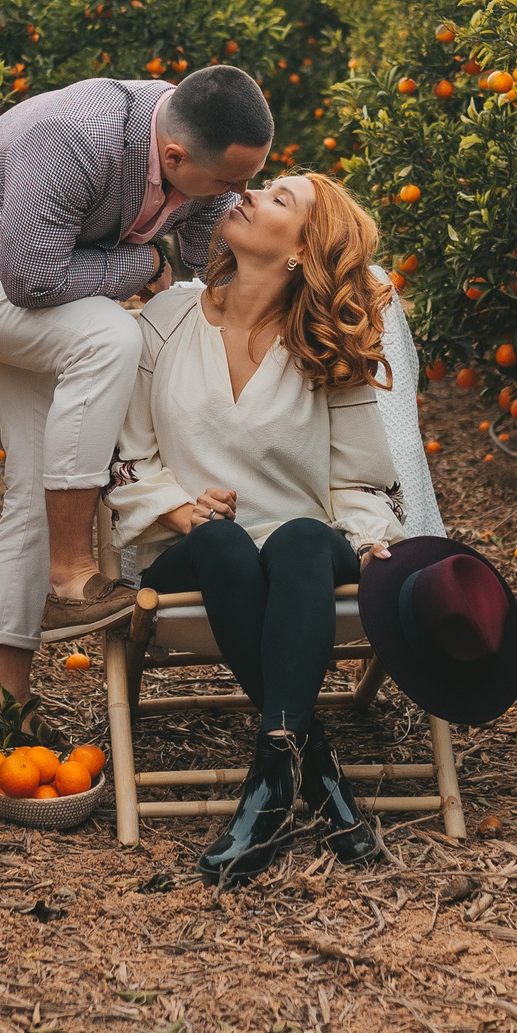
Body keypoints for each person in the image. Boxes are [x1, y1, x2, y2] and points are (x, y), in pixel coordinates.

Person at [0, 67, 270, 735]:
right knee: (109, 338)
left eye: (251, 180)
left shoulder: (198, 154)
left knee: (37, 480)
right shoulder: (76, 136)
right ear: (175, 158)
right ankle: (72, 573)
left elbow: (204, 260)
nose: (240, 195)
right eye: (229, 183)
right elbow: (33, 279)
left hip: (54, 276)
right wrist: (147, 267)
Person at [108, 173, 405, 881]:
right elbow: (126, 458)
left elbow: (364, 480)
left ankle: (275, 778)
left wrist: (367, 542)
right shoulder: (164, 322)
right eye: (264, 184)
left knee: (303, 536)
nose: (252, 193)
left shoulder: (327, 343)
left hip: (303, 567)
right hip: (194, 556)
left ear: (303, 247)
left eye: (280, 198)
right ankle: (318, 769)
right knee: (221, 540)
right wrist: (178, 508)